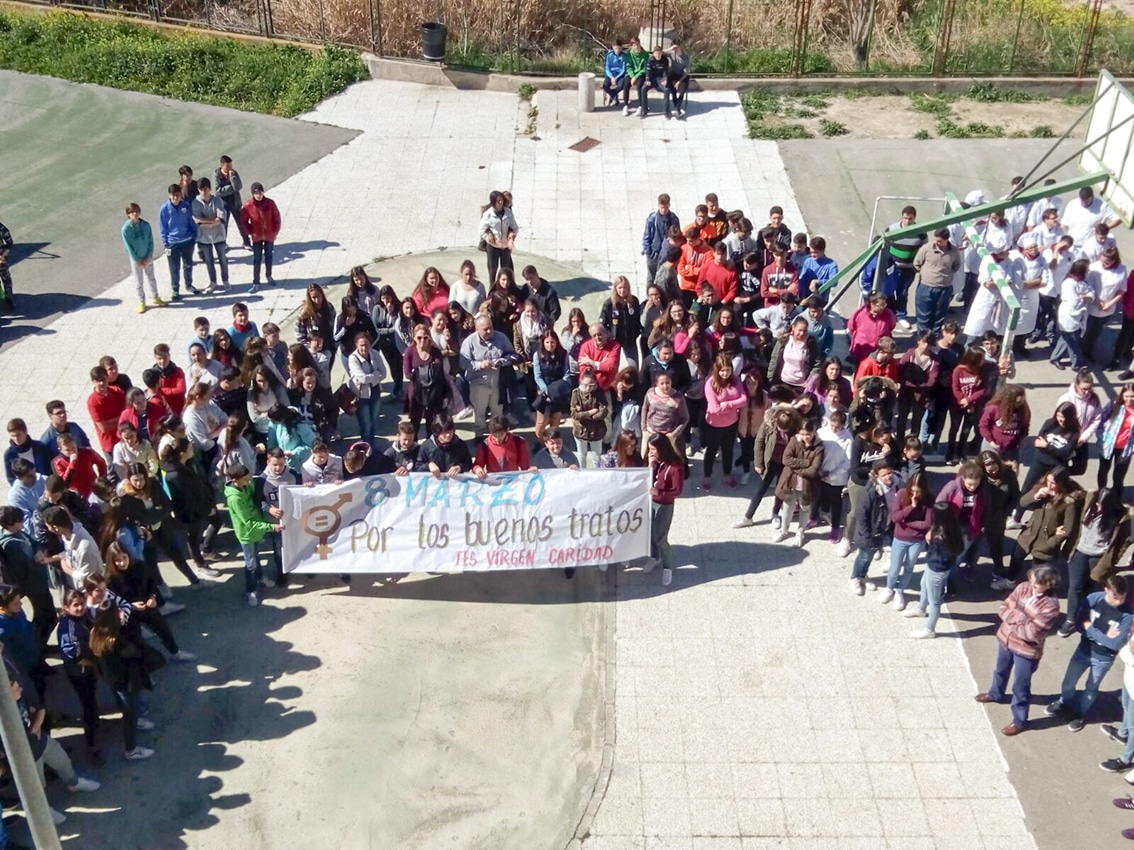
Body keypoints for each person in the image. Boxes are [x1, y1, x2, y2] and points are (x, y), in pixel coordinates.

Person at [976, 564, 1063, 736]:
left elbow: (1031, 633)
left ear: (1049, 584)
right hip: (1005, 639)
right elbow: (1003, 607)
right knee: (1000, 670)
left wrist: (1012, 620)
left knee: (1020, 686)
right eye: (1032, 580)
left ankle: (1019, 721)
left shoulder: (1050, 605)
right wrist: (1022, 618)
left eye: (1037, 583)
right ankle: (995, 694)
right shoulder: (1023, 587)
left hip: (1026, 650)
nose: (1032, 584)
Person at [1061, 487, 1134, 637]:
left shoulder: (1120, 517)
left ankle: (1088, 617)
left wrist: (1114, 558)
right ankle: (1070, 620)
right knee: (1075, 586)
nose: (1098, 507)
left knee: (1093, 588)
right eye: (1097, 503)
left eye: (1102, 505)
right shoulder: (1089, 501)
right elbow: (1072, 492)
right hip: (1079, 551)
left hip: (1099, 556)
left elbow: (1125, 540)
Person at [87, 605, 157, 761]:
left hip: (111, 679)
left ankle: (136, 722)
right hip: (125, 681)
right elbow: (135, 652)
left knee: (124, 705)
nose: (121, 614)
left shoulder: (95, 634)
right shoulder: (115, 641)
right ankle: (131, 750)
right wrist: (127, 625)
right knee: (130, 713)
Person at [994, 470, 1081, 591]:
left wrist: (1051, 542)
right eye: (1048, 481)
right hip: (1028, 535)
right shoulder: (1040, 489)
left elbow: (1068, 528)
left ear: (1061, 483)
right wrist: (1036, 496)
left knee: (1038, 572)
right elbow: (1022, 502)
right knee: (1016, 559)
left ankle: (1035, 591)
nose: (1049, 485)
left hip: (1045, 542)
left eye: (1053, 483)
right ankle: (1010, 581)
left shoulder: (1068, 502)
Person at [1010, 401, 1080, 526]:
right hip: (1040, 462)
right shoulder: (1050, 423)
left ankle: (1038, 520)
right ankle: (1016, 517)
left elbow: (1065, 452)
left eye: (1063, 417)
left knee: (1050, 493)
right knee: (1027, 488)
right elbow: (1038, 442)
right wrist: (1052, 449)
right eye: (1058, 415)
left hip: (1056, 467)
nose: (1060, 419)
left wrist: (1047, 446)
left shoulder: (1074, 432)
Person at [224, 464, 284, 607]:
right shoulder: (235, 499)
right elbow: (248, 522)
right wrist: (271, 526)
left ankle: (260, 577)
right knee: (250, 564)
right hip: (247, 535)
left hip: (257, 532)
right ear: (235, 480)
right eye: (245, 479)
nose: (249, 481)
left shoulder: (246, 486)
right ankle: (250, 590)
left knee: (256, 556)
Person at [735, 407, 801, 530]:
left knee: (780, 491)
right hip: (769, 462)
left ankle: (775, 514)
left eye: (785, 431)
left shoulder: (795, 427)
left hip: (785, 464)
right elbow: (759, 442)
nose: (783, 433)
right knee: (760, 490)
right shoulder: (768, 425)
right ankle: (748, 517)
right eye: (780, 430)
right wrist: (758, 463)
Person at [904, 502, 965, 638]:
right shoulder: (953, 527)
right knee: (924, 585)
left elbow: (936, 549)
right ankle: (921, 609)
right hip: (939, 566)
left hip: (937, 569)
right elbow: (959, 549)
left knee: (935, 602)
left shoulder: (940, 535)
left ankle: (929, 630)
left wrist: (930, 539)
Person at [0, 506, 55, 653]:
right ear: (10, 524)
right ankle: (38, 648)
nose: (23, 522)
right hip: (34, 587)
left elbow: (33, 542)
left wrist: (39, 551)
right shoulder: (10, 544)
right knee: (47, 618)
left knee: (46, 617)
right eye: (20, 521)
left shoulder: (18, 533)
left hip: (39, 583)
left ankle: (40, 645)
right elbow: (24, 569)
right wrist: (38, 560)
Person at [883, 472, 935, 610]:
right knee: (894, 567)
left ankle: (900, 590)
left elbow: (927, 524)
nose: (915, 495)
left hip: (917, 540)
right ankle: (889, 588)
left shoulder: (929, 499)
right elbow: (895, 517)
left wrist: (907, 522)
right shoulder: (901, 494)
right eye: (912, 491)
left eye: (918, 492)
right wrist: (911, 507)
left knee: (909, 566)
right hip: (900, 538)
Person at [460, 314, 517, 435]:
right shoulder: (469, 342)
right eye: (485, 329)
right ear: (477, 329)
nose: (489, 331)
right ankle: (479, 436)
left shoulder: (501, 337)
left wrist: (502, 361)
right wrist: (480, 365)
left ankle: (497, 436)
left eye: (490, 327)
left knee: (497, 413)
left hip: (498, 383)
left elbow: (512, 355)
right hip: (478, 383)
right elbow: (463, 363)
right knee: (479, 413)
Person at [849, 459, 897, 596]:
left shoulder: (896, 484)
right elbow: (860, 513)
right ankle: (855, 577)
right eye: (884, 475)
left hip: (883, 527)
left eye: (890, 473)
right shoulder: (871, 491)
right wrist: (867, 535)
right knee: (864, 555)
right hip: (870, 532)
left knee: (870, 556)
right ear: (876, 476)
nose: (888, 477)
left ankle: (863, 575)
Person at [774, 420, 824, 547]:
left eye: (808, 434)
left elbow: (813, 470)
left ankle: (800, 532)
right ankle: (784, 530)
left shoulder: (819, 447)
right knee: (787, 507)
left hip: (807, 485)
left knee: (805, 508)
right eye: (802, 434)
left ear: (813, 432)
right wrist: (805, 463)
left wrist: (796, 468)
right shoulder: (794, 441)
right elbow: (786, 459)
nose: (805, 437)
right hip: (790, 482)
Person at [646, 433, 684, 587]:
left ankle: (667, 568)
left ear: (661, 449)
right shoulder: (656, 462)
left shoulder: (675, 467)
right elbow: (648, 480)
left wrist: (660, 493)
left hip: (664, 505)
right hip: (652, 501)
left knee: (661, 538)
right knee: (650, 532)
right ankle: (655, 557)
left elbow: (677, 490)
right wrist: (650, 466)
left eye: (653, 449)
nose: (650, 453)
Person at [702, 354, 745, 490]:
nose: (725, 374)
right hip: (714, 424)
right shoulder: (710, 383)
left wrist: (727, 405)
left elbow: (744, 400)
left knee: (728, 450)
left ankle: (727, 474)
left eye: (728, 370)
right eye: (722, 371)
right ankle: (707, 475)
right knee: (711, 450)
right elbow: (714, 409)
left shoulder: (735, 380)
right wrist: (734, 405)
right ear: (717, 370)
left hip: (731, 423)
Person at [946, 346, 988, 465]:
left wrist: (969, 401)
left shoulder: (981, 370)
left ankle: (961, 453)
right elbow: (955, 388)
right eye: (981, 359)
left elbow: (983, 389)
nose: (983, 361)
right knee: (954, 429)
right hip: (957, 406)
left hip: (973, 406)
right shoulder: (958, 370)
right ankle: (950, 453)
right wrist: (963, 401)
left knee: (966, 431)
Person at [158, 183, 198, 299]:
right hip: (172, 243)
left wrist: (194, 237)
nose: (175, 197)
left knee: (188, 265)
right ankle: (175, 289)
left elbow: (191, 222)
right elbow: (163, 227)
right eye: (173, 195)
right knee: (174, 268)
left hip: (187, 241)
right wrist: (165, 242)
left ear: (180, 194)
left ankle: (189, 285)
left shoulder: (186, 206)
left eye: (177, 194)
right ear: (169, 195)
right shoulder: (164, 209)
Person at [347, 333, 386, 448]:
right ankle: (366, 446)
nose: (364, 348)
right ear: (356, 345)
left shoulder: (375, 354)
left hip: (375, 393)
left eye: (367, 345)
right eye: (361, 345)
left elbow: (384, 373)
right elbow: (362, 378)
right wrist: (376, 375)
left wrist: (372, 377)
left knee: (373, 421)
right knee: (366, 424)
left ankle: (371, 445)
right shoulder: (353, 358)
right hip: (361, 396)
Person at [121, 203, 163, 312]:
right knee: (139, 282)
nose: (135, 214)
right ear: (128, 214)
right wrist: (136, 259)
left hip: (147, 256)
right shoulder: (126, 229)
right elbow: (128, 246)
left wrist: (149, 255)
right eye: (132, 212)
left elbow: (150, 241)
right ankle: (142, 301)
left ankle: (155, 297)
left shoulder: (146, 225)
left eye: (136, 211)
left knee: (151, 278)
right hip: (136, 259)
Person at [240, 182, 281, 293]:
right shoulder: (248, 205)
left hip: (269, 235)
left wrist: (275, 232)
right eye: (256, 193)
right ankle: (256, 282)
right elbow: (244, 221)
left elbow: (277, 218)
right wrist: (250, 231)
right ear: (253, 194)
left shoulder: (270, 203)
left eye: (260, 193)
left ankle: (269, 275)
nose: (258, 195)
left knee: (269, 256)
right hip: (257, 237)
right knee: (257, 259)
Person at [192, 177, 229, 292]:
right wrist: (213, 221)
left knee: (223, 259)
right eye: (201, 190)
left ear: (210, 189)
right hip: (204, 237)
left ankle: (225, 280)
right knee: (209, 261)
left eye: (205, 189)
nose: (203, 192)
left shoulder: (217, 200)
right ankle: (213, 282)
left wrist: (205, 221)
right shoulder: (195, 203)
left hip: (219, 235)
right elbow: (198, 222)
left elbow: (221, 219)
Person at [1098, 382, 1134, 493]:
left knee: (1119, 476)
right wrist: (1102, 437)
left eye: (1132, 396)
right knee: (1103, 471)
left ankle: (1116, 498)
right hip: (1108, 445)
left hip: (1125, 449)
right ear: (1122, 395)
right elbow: (1101, 419)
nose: (1129, 399)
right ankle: (1101, 494)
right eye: (1126, 396)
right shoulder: (1114, 405)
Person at [571, 368, 610, 469]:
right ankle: (582, 474)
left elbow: (603, 412)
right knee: (581, 455)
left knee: (596, 457)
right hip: (581, 430)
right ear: (581, 381)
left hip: (596, 431)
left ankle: (596, 475)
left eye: (591, 385)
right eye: (585, 385)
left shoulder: (599, 393)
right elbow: (575, 415)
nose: (588, 388)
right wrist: (591, 412)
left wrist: (586, 416)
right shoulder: (576, 393)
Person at [846, 293, 897, 364]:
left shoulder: (889, 315)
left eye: (884, 305)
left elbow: (892, 326)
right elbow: (851, 327)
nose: (883, 308)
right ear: (872, 304)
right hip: (861, 351)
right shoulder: (859, 314)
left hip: (878, 352)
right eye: (880, 305)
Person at [479, 191, 518, 283]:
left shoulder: (508, 212)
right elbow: (481, 230)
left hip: (505, 246)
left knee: (505, 268)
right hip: (493, 246)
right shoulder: (488, 214)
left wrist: (512, 236)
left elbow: (514, 227)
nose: (502, 203)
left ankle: (506, 285)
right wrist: (489, 237)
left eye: (502, 201)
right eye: (499, 201)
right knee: (493, 268)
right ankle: (492, 286)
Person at [642, 194, 681, 283]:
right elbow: (647, 236)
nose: (664, 210)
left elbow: (677, 236)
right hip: (654, 253)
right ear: (658, 205)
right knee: (651, 277)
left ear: (669, 205)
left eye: (666, 207)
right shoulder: (652, 219)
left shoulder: (673, 219)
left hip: (668, 253)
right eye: (662, 207)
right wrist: (648, 253)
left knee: (666, 277)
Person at [215, 154, 251, 249]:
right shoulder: (217, 175)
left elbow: (238, 187)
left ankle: (246, 242)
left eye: (231, 165)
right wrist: (232, 188)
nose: (230, 168)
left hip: (235, 202)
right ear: (221, 165)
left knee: (241, 223)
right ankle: (223, 243)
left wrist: (232, 178)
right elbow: (218, 191)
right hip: (223, 204)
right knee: (224, 225)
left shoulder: (234, 173)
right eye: (228, 166)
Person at [623, 37, 648, 116]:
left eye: (637, 44)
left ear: (640, 44)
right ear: (631, 46)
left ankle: (641, 106)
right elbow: (628, 66)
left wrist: (635, 77)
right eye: (634, 45)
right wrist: (632, 76)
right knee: (626, 84)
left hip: (641, 74)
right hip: (632, 73)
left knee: (640, 85)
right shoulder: (629, 54)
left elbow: (644, 68)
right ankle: (625, 105)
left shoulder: (645, 54)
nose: (636, 47)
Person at [665, 40, 690, 117]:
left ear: (680, 47)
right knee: (673, 90)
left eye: (676, 47)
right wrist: (670, 49)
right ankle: (677, 108)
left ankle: (677, 108)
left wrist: (679, 82)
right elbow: (658, 52)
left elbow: (686, 72)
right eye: (674, 48)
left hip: (682, 76)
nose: (675, 49)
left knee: (682, 91)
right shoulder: (672, 54)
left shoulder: (685, 57)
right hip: (673, 75)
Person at [602, 39, 629, 108]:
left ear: (621, 48)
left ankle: (612, 95)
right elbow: (607, 67)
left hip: (619, 74)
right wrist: (611, 77)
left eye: (619, 48)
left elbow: (623, 69)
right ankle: (614, 95)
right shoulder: (609, 55)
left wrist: (616, 78)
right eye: (616, 48)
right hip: (610, 74)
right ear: (613, 47)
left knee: (621, 85)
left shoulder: (623, 56)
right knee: (605, 86)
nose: (617, 50)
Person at [0, 217, 14, 312]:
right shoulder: (1, 227)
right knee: (6, 280)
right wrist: (2, 256)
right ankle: (9, 300)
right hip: (2, 260)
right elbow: (10, 242)